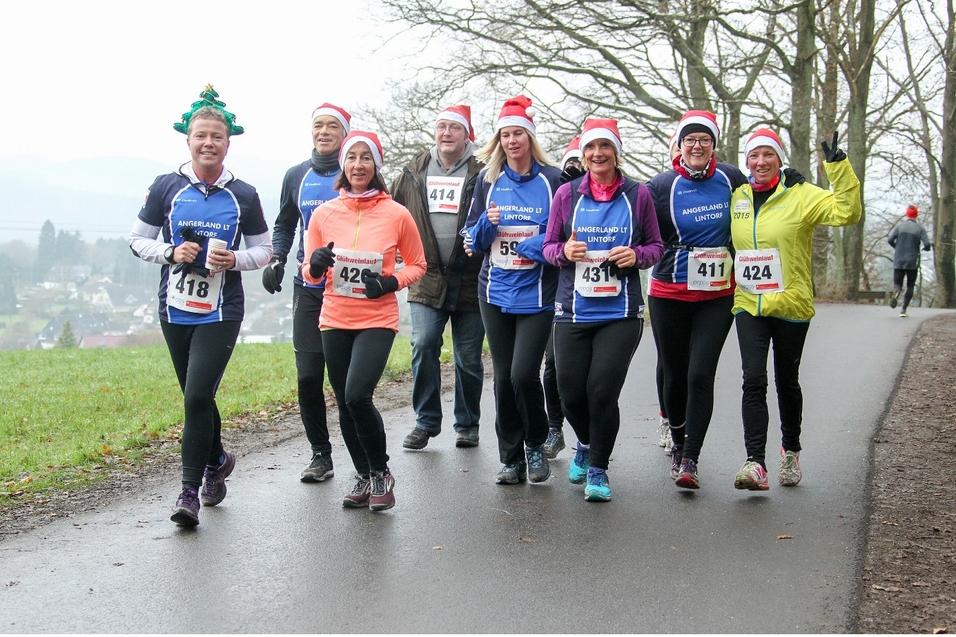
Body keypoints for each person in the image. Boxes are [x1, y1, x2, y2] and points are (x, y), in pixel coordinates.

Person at [129, 86, 272, 526]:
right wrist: (171, 253)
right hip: (174, 308)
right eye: (201, 136)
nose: (208, 143)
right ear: (187, 140)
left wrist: (235, 260)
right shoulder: (166, 186)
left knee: (195, 395)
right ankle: (217, 459)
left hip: (221, 309)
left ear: (228, 143)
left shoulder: (243, 195)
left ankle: (189, 493)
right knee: (197, 398)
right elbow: (137, 241)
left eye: (217, 137)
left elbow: (264, 251)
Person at [302, 130, 426, 511]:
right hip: (335, 317)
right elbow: (308, 271)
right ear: (343, 165)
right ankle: (362, 474)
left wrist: (390, 281)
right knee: (343, 401)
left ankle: (381, 472)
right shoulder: (325, 214)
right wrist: (316, 266)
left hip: (377, 318)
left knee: (358, 395)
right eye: (352, 157)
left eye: (366, 158)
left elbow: (418, 265)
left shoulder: (397, 214)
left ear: (376, 166)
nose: (358, 165)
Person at [731, 128, 861, 490]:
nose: (760, 162)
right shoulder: (737, 197)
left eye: (768, 155)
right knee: (753, 380)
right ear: (746, 161)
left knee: (786, 381)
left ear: (779, 159)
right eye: (754, 156)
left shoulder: (801, 195)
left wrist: (838, 168)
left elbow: (847, 212)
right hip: (749, 305)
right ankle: (755, 463)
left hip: (791, 303)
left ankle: (790, 450)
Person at [543, 118, 663, 501]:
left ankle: (598, 469)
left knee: (601, 391)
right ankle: (584, 442)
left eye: (605, 147)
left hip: (620, 312)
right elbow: (547, 248)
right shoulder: (566, 195)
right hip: (572, 310)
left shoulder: (638, 194)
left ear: (616, 152)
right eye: (591, 148)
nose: (597, 154)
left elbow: (656, 247)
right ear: (583, 154)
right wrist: (564, 251)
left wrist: (636, 255)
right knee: (570, 392)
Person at [462, 95, 562, 485]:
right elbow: (471, 237)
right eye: (505, 135)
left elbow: (563, 238)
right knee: (503, 378)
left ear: (530, 138)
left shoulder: (553, 181)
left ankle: (536, 444)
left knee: (524, 374)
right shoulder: (487, 181)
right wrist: (487, 225)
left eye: (518, 133)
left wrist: (532, 246)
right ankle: (511, 459)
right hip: (494, 291)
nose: (512, 141)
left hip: (537, 295)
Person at [646, 111, 747, 489]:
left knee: (700, 373)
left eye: (704, 139)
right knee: (673, 373)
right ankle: (676, 433)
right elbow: (638, 222)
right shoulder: (662, 185)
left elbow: (765, 195)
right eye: (690, 140)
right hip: (669, 291)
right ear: (679, 145)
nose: (697, 146)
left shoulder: (730, 178)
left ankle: (690, 457)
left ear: (714, 145)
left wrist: (791, 181)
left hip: (717, 294)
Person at [262, 103, 351, 482]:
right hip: (308, 286)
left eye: (333, 127)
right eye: (318, 126)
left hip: (349, 290)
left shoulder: (358, 171)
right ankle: (320, 454)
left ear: (346, 134)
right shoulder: (296, 175)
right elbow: (285, 223)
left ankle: (363, 457)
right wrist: (277, 257)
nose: (324, 132)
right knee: (308, 376)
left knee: (345, 381)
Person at [390, 105, 485, 450]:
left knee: (468, 356)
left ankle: (467, 424)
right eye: (441, 127)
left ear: (467, 134)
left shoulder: (483, 170)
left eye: (454, 128)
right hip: (426, 276)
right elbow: (389, 209)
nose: (446, 133)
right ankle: (425, 422)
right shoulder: (414, 169)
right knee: (424, 343)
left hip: (471, 278)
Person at [542, 136, 583, 459]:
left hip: (598, 296)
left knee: (589, 374)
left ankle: (588, 435)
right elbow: (545, 239)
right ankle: (554, 428)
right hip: (554, 290)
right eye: (571, 166)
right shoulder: (557, 192)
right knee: (554, 365)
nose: (577, 172)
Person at [888, 204, 931, 317]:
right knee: (910, 285)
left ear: (907, 214)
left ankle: (896, 293)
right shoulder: (920, 229)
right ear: (916, 215)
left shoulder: (899, 226)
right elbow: (927, 244)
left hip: (899, 260)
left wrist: (896, 247)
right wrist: (926, 248)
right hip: (912, 261)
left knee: (898, 284)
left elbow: (890, 240)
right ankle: (903, 310)